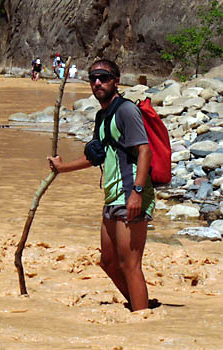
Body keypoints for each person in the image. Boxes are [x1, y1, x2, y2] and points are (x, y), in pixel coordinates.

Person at [47, 59, 154, 312]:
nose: (97, 82)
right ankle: (140, 307)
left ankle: (142, 320)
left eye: (104, 77)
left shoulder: (126, 110)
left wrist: (137, 193)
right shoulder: (102, 115)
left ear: (116, 80)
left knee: (130, 263)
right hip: (113, 194)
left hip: (131, 193)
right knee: (108, 261)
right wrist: (62, 168)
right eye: (93, 78)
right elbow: (96, 156)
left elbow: (145, 151)